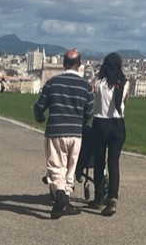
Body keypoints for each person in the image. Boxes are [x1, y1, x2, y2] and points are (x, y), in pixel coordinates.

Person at [34, 49, 93, 219]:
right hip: (75, 133)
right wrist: (80, 123)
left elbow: (40, 106)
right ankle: (65, 201)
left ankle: (60, 195)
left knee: (56, 166)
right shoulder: (86, 87)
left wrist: (40, 117)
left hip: (56, 130)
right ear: (79, 65)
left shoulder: (52, 83)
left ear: (64, 64)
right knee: (70, 168)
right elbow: (88, 112)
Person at [88, 52, 130, 217]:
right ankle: (112, 199)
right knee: (114, 163)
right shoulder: (125, 84)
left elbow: (92, 96)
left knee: (99, 162)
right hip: (118, 124)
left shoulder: (99, 83)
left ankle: (98, 198)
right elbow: (124, 103)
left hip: (100, 123)